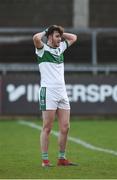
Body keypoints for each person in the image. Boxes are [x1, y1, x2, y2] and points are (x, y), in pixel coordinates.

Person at [33, 25, 77, 167]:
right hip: (49, 92)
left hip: (62, 92)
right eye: (56, 36)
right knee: (47, 127)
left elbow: (74, 37)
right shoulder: (42, 49)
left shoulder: (60, 48)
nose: (59, 39)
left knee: (65, 127)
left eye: (60, 37)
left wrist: (61, 34)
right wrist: (47, 31)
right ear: (50, 37)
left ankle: (62, 158)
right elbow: (36, 38)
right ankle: (45, 160)